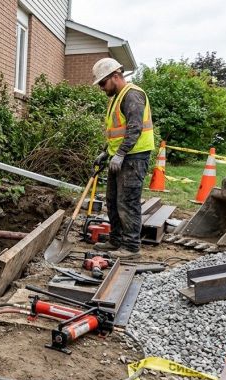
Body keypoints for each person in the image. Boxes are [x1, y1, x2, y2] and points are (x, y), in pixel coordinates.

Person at [92, 58, 155, 259]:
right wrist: (106, 152)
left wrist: (120, 154)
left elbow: (135, 128)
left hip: (134, 158)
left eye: (103, 83)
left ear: (116, 76)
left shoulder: (132, 95)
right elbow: (115, 132)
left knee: (127, 201)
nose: (102, 88)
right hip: (119, 157)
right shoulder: (116, 98)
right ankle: (116, 240)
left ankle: (131, 247)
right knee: (112, 200)